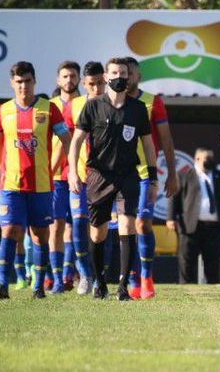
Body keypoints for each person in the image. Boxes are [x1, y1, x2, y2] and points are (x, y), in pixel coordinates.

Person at [68, 57, 158, 300]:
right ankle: (100, 283)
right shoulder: (93, 106)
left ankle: (123, 287)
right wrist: (72, 172)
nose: (119, 77)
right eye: (115, 73)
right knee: (98, 234)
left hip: (128, 175)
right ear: (106, 77)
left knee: (128, 227)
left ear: (129, 77)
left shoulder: (138, 109)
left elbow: (148, 144)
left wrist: (152, 178)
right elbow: (76, 141)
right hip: (98, 176)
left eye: (123, 73)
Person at [0, 61, 71, 299]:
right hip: (11, 185)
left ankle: (38, 286)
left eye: (27, 81)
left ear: (35, 81)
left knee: (40, 235)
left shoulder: (49, 109)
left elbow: (66, 139)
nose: (23, 86)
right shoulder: (2, 111)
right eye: (19, 82)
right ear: (12, 83)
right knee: (10, 231)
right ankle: (3, 285)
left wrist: (67, 167)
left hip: (42, 185)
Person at [125, 56, 178, 299]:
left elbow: (166, 139)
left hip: (146, 173)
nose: (127, 79)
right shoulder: (111, 102)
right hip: (119, 175)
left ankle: (146, 276)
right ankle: (132, 277)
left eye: (131, 74)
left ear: (139, 76)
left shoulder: (152, 102)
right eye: (123, 74)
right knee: (125, 228)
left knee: (142, 224)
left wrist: (172, 173)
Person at [65, 61, 106, 295]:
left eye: (100, 83)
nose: (97, 88)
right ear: (84, 83)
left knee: (101, 228)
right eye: (91, 84)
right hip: (80, 176)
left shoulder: (112, 104)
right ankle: (85, 276)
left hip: (105, 179)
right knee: (79, 223)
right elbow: (70, 142)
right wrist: (69, 171)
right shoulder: (74, 106)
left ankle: (101, 276)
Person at [167, 147, 220, 284]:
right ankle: (187, 291)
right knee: (187, 262)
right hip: (190, 226)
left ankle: (214, 292)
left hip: (214, 227)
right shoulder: (184, 176)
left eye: (212, 159)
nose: (211, 161)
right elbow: (174, 197)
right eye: (207, 159)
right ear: (197, 159)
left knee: (213, 264)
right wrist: (171, 218)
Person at [49, 60, 82, 293]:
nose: (69, 80)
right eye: (65, 76)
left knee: (76, 228)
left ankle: (71, 275)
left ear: (79, 79)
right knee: (56, 228)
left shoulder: (87, 105)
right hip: (54, 176)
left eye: (72, 76)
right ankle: (56, 278)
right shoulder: (47, 107)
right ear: (58, 80)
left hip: (79, 175)